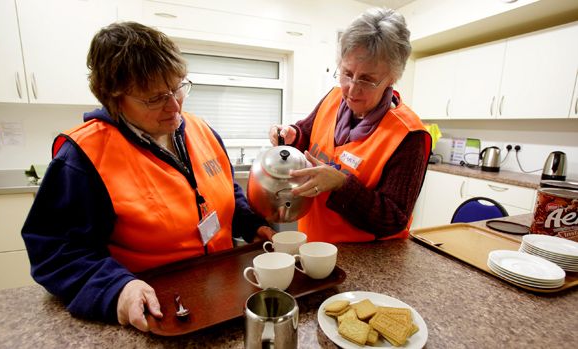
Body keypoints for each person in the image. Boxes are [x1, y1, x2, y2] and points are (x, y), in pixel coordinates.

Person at [21, 21, 275, 334]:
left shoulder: (203, 130)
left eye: (178, 87)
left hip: (224, 297)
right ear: (114, 98)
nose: (174, 106)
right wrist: (116, 289)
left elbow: (223, 191)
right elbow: (55, 251)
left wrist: (251, 225)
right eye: (154, 98)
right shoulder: (83, 158)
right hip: (156, 311)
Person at [269, 7, 431, 243]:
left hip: (365, 262)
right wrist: (292, 136)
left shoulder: (408, 135)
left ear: (392, 78)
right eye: (346, 73)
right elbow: (307, 136)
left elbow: (393, 219)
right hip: (313, 245)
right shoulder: (333, 98)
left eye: (367, 79)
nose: (352, 89)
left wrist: (341, 185)